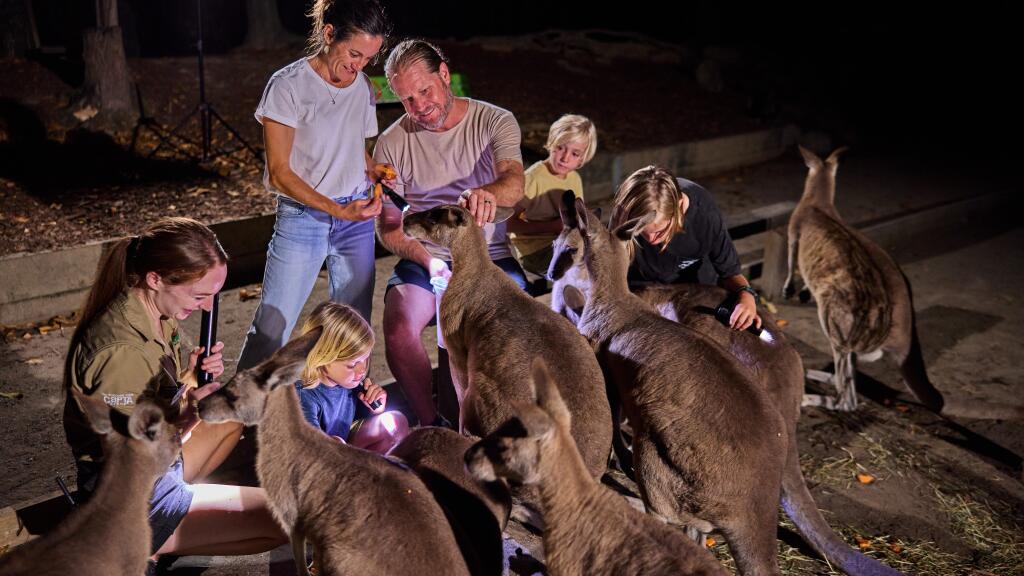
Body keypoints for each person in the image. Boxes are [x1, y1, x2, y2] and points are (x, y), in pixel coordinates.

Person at [62, 217, 287, 564]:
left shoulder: (158, 313)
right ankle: (142, 546)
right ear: (155, 278)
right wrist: (187, 418)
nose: (207, 306)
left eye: (213, 295)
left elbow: (153, 398)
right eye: (200, 295)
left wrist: (190, 379)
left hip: (158, 464)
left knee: (230, 417)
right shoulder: (122, 351)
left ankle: (163, 539)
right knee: (282, 521)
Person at [372, 39, 527, 426]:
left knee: (512, 329)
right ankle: (432, 423)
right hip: (429, 255)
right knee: (399, 326)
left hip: (489, 254)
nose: (420, 107)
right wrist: (430, 263)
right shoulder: (391, 144)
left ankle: (502, 418)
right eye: (407, 99)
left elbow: (514, 182)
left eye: (424, 91)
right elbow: (389, 226)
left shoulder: (495, 120)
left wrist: (486, 194)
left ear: (444, 74)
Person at [236, 0, 391, 372]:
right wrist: (336, 209)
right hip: (303, 219)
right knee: (272, 328)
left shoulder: (362, 87)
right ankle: (236, 417)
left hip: (354, 219)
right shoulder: (288, 86)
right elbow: (278, 173)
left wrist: (373, 170)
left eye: (368, 58)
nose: (359, 65)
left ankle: (344, 408)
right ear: (328, 34)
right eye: (354, 53)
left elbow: (357, 149)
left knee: (354, 328)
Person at [612, 165, 762, 331]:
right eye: (641, 232)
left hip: (698, 293)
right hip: (643, 294)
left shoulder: (704, 213)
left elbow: (730, 272)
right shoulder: (625, 216)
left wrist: (747, 296)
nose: (651, 240)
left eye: (660, 231)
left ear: (679, 205)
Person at [295, 302, 409, 453]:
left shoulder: (350, 382)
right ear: (322, 356)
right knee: (336, 444)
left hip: (347, 449)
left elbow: (360, 421)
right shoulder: (305, 395)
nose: (362, 370)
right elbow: (309, 448)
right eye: (352, 364)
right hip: (319, 460)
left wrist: (375, 409)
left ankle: (373, 469)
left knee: (396, 422)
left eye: (365, 359)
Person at [508, 114, 597, 276]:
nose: (565, 158)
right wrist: (551, 227)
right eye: (560, 147)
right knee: (579, 266)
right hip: (535, 250)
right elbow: (507, 224)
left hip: (564, 243)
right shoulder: (532, 179)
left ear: (582, 159)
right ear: (551, 143)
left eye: (575, 154)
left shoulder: (574, 178)